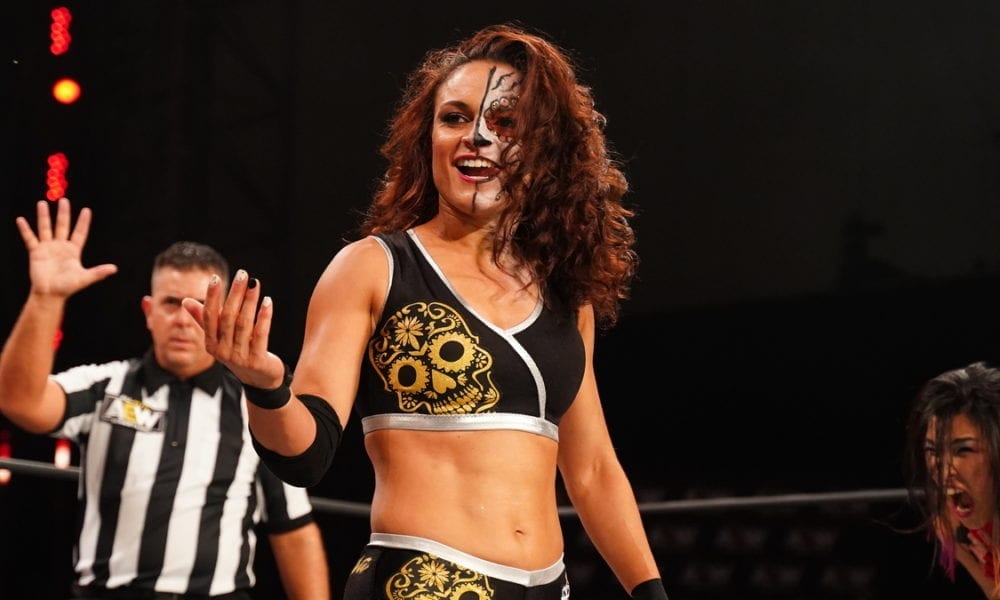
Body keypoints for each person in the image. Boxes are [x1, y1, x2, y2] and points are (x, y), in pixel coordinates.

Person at [184, 23, 668, 600]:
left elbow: (592, 471)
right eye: (454, 118)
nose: (477, 137)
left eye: (504, 122)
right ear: (427, 139)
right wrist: (265, 386)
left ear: (544, 149)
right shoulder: (374, 267)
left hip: (549, 586)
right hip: (423, 579)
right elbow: (306, 456)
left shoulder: (566, 293)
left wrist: (651, 593)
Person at [0, 198, 331, 600]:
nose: (183, 320)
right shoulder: (105, 385)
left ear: (223, 316)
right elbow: (20, 402)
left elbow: (293, 531)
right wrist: (45, 297)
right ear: (148, 311)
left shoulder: (255, 410)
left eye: (200, 307)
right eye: (171, 303)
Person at [904, 360, 1000, 598]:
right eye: (932, 451)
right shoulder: (954, 520)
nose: (944, 471)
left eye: (963, 450)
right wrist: (962, 553)